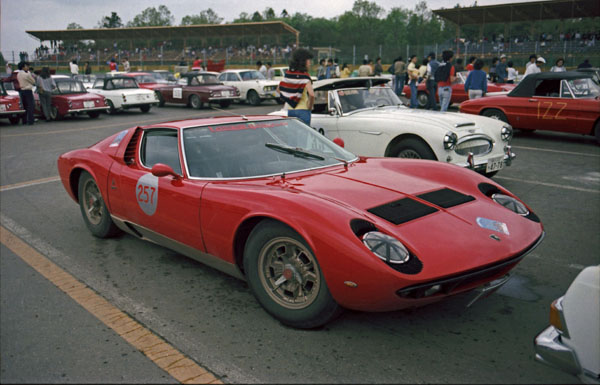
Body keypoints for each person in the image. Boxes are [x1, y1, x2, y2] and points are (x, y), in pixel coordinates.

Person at [277, 48, 314, 126]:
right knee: (303, 136)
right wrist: (310, 107)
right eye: (308, 60)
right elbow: (311, 94)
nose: (310, 63)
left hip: (291, 111)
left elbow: (278, 89)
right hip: (303, 110)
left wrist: (289, 99)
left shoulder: (288, 74)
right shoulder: (305, 76)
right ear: (303, 61)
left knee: (294, 136)